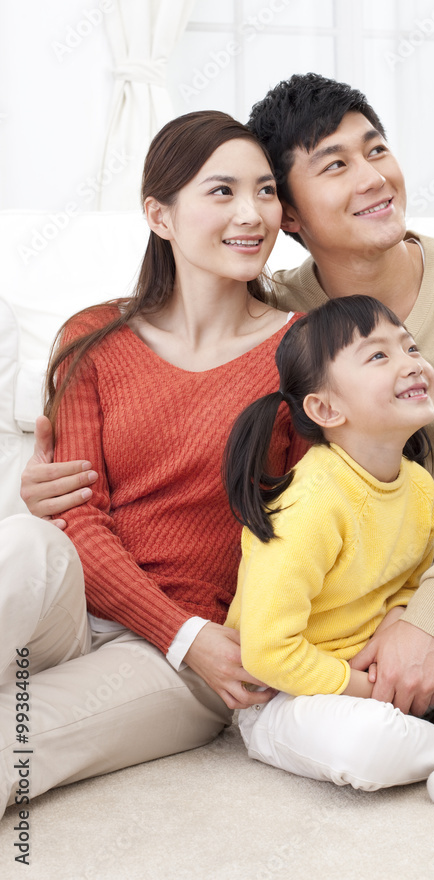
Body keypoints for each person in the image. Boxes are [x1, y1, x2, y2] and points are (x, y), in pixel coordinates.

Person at [22, 74, 434, 748]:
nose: (372, 178)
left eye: (377, 150)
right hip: (375, 592)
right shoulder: (288, 328)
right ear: (292, 215)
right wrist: (60, 497)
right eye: (335, 164)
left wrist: (431, 616)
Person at [0, 110, 308, 814]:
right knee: (25, 538)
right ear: (159, 215)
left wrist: (192, 639)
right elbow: (76, 517)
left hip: (183, 663)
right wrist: (181, 631)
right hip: (74, 610)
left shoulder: (302, 353)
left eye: (265, 192)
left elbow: (319, 514)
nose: (252, 213)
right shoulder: (91, 336)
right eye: (222, 191)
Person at [224, 294, 434, 830]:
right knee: (366, 744)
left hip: (392, 672)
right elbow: (266, 653)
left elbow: (410, 583)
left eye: (411, 346)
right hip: (295, 694)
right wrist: (364, 688)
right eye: (378, 356)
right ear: (326, 409)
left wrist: (399, 622)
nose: (411, 361)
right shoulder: (311, 504)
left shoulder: (417, 486)